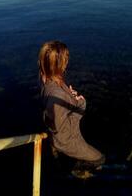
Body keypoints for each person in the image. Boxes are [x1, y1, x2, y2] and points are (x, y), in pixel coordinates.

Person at [38, 41, 105, 178]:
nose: (67, 62)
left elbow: (57, 111)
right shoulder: (57, 95)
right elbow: (60, 128)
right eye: (66, 59)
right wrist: (79, 104)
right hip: (67, 140)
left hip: (62, 133)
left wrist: (69, 97)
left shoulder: (46, 78)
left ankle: (66, 159)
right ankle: (75, 170)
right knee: (100, 159)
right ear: (60, 64)